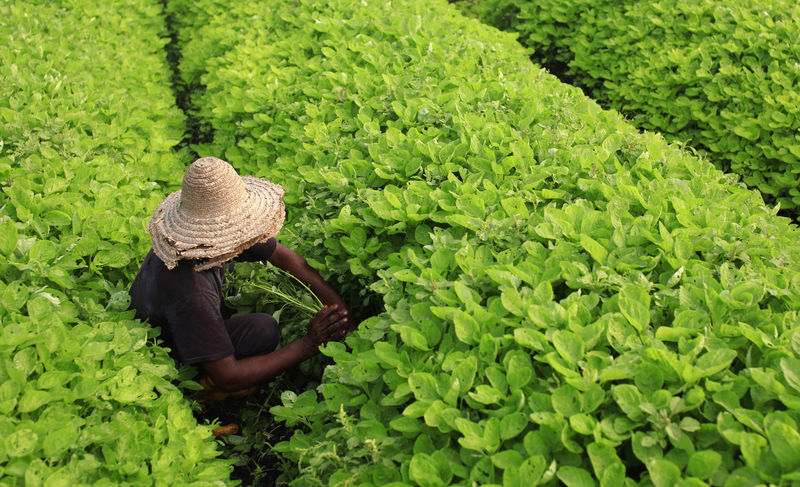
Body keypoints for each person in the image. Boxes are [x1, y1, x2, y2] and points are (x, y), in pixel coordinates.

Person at [129, 156, 352, 395]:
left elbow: (285, 258)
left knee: (242, 290)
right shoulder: (191, 289)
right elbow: (229, 376)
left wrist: (342, 314)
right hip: (163, 342)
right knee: (262, 330)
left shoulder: (202, 237)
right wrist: (309, 343)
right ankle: (202, 388)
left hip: (170, 308)